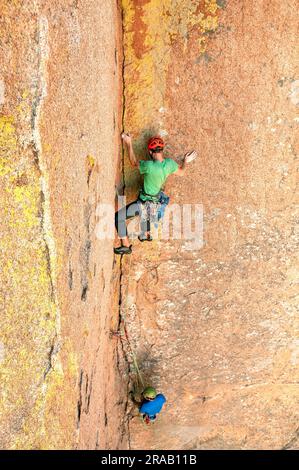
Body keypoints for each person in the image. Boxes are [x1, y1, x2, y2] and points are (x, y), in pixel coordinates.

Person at [114, 133, 197, 255]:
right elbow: (182, 172)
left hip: (144, 204)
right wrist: (185, 161)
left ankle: (126, 245)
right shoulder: (169, 164)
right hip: (155, 204)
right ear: (162, 150)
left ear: (150, 152)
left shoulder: (148, 166)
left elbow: (133, 161)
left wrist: (128, 143)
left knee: (119, 217)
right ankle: (145, 232)